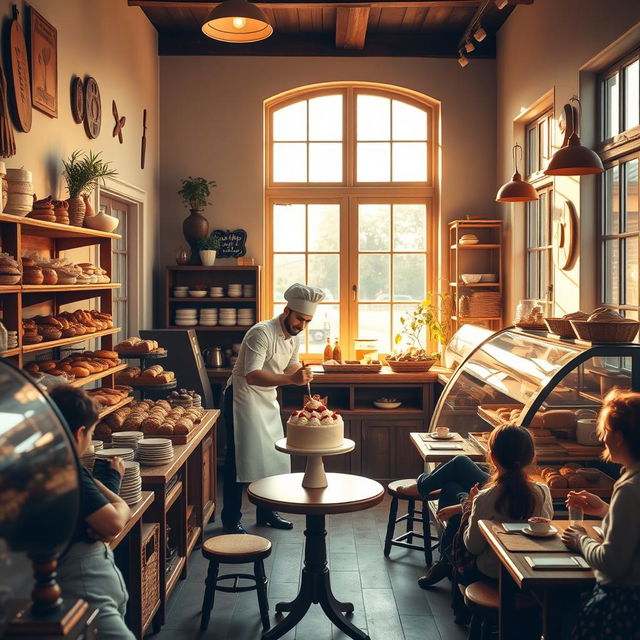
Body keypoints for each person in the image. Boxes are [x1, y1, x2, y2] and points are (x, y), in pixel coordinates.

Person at [221, 283, 326, 534]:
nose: (302, 325)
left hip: (267, 398)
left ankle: (267, 512)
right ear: (287, 310)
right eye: (300, 318)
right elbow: (252, 375)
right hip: (242, 398)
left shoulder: (294, 337)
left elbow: (289, 367)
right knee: (240, 459)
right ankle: (230, 518)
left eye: (307, 321)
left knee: (272, 457)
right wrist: (292, 380)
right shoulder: (261, 333)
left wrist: (300, 373)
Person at [49, 385, 134, 640]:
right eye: (92, 433)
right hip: (85, 594)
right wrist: (120, 501)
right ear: (79, 434)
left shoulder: (54, 466)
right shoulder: (65, 471)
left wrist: (94, 481)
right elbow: (114, 523)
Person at [561, 389, 640, 639]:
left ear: (618, 437)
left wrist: (580, 540)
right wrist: (604, 510)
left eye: (605, 431)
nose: (602, 438)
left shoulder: (629, 489)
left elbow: (612, 563)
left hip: (623, 607)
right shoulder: (632, 478)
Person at [462, 424, 553, 583]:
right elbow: (545, 528)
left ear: (493, 458)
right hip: (532, 571)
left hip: (493, 574)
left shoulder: (484, 498)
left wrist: (468, 510)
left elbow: (473, 547)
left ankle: (454, 594)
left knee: (453, 495)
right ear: (531, 457)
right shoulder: (543, 491)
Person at [398, 455, 490, 588]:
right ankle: (445, 561)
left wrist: (462, 506)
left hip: (492, 491)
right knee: (451, 484)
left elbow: (492, 501)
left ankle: (422, 485)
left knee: (459, 462)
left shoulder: (502, 491)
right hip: (496, 482)